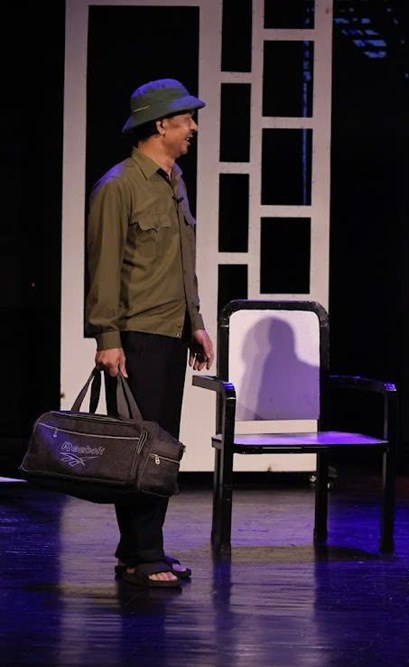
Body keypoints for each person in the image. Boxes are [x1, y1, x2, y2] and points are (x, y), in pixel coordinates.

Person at [84, 78, 214, 588]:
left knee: (160, 448)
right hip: (136, 335)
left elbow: (182, 263)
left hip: (170, 332)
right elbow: (103, 268)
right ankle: (143, 554)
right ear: (161, 125)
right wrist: (107, 337)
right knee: (139, 448)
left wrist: (195, 323)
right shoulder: (118, 185)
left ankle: (140, 548)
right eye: (186, 120)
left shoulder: (173, 181)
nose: (193, 128)